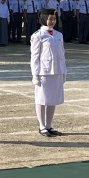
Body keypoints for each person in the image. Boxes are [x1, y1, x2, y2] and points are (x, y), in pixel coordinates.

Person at [30, 9, 66, 137]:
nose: (52, 21)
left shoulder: (58, 35)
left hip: (56, 71)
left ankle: (49, 125)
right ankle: (42, 126)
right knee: (41, 99)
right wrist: (35, 75)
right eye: (50, 18)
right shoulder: (38, 35)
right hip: (43, 72)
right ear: (44, 19)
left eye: (54, 19)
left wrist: (64, 71)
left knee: (52, 99)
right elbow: (34, 56)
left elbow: (62, 54)